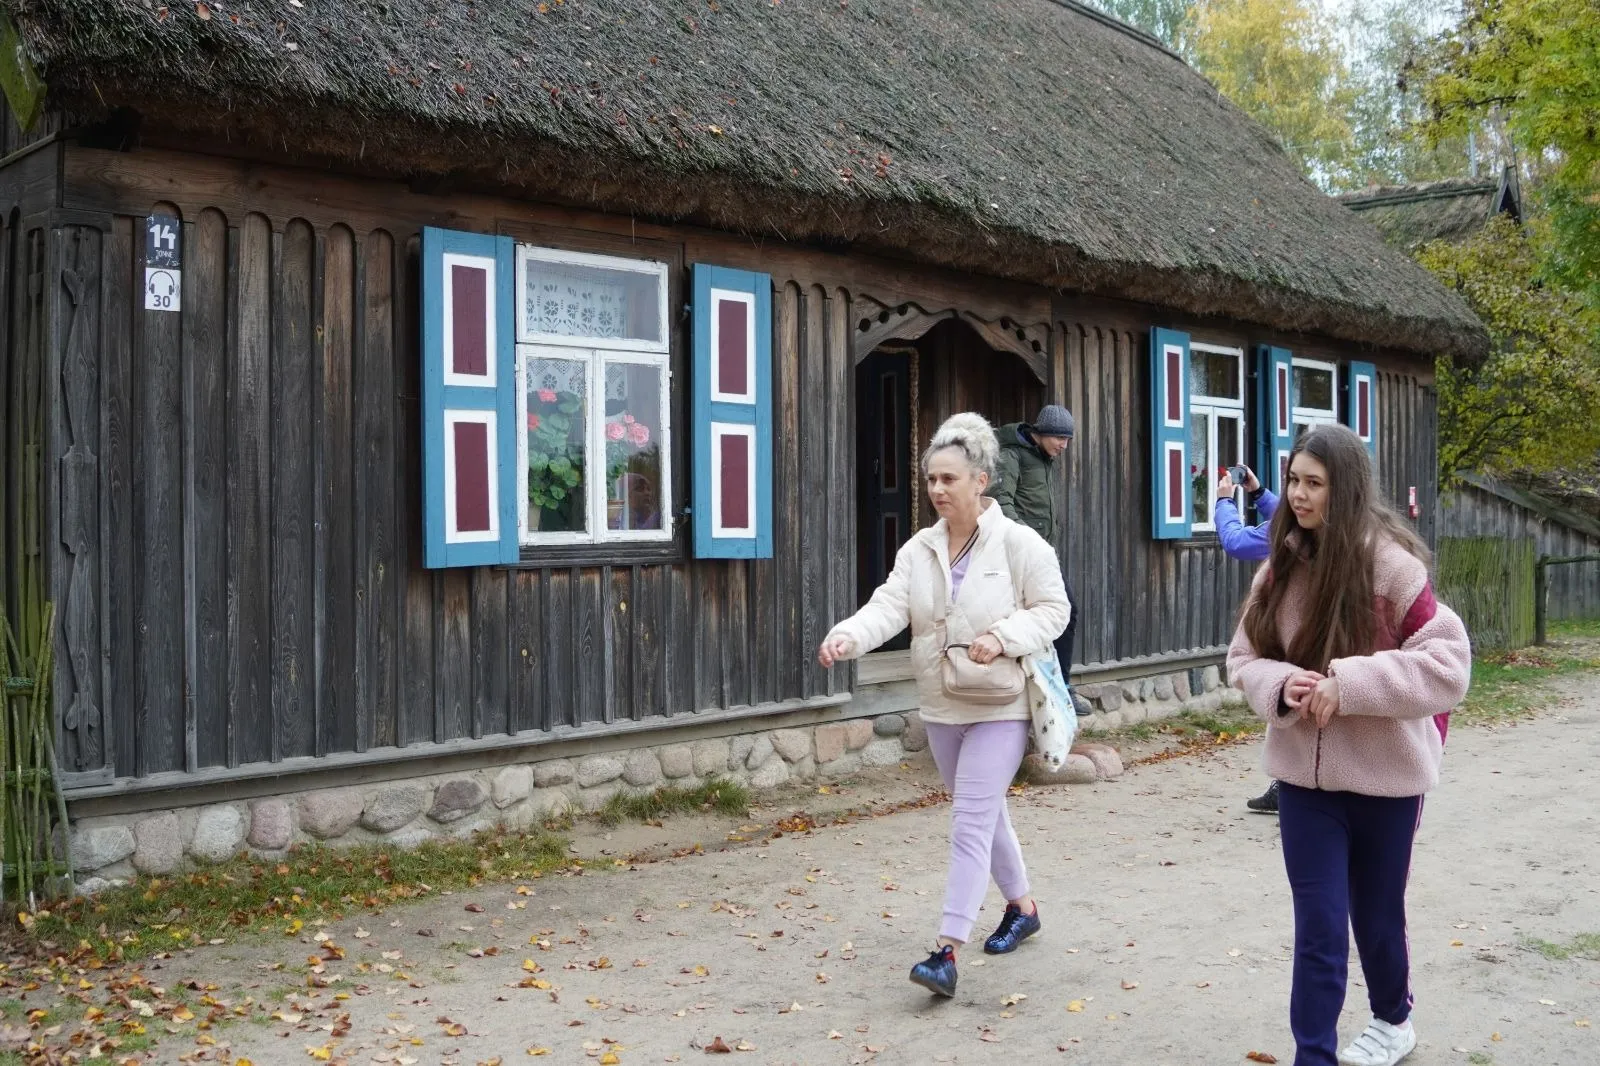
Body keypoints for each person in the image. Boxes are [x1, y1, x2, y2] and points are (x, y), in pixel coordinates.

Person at [1226, 424, 1470, 1066]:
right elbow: (1243, 658)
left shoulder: (1392, 568)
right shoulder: (1280, 568)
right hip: (1304, 788)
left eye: (1314, 484)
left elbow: (1449, 666)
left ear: (1347, 490)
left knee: (1376, 915)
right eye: (1293, 481)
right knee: (1321, 929)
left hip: (1387, 782)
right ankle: (1315, 1056)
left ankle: (1394, 1019)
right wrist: (1281, 684)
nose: (1298, 497)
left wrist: (1350, 682)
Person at [817, 412, 1070, 998]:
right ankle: (1023, 908)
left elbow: (1054, 610)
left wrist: (1002, 637)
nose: (936, 489)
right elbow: (889, 607)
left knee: (969, 821)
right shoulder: (919, 549)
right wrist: (848, 637)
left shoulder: (1019, 543)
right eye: (930, 479)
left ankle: (946, 951)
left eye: (948, 479)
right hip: (941, 704)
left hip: (1000, 703)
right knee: (984, 812)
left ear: (980, 481)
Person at [988, 404, 1086, 716]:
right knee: (1035, 617)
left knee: (1064, 613)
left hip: (1041, 554)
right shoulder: (1011, 455)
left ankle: (1062, 687)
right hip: (1020, 554)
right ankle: (1031, 693)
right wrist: (1026, 539)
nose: (1064, 445)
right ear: (1040, 433)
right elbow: (1001, 501)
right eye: (1059, 438)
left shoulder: (1043, 457)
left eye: (1067, 439)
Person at [1215, 465, 1285, 815]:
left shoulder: (1291, 530)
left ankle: (1289, 787)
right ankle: (1287, 786)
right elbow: (1286, 514)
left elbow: (1236, 542)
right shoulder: (1335, 517)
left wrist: (1224, 501)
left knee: (1288, 704)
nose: (1297, 494)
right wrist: (1258, 494)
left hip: (1292, 625)